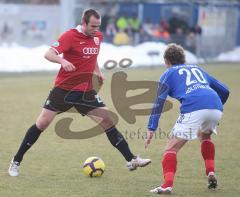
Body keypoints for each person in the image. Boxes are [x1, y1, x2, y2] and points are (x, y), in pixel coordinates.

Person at [8, 9, 151, 177]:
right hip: (63, 90)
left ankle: (131, 159)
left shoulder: (98, 37)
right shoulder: (69, 36)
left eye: (98, 26)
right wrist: (62, 60)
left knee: (107, 121)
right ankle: (16, 161)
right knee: (42, 124)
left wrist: (97, 71)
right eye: (92, 26)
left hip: (86, 92)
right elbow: (48, 53)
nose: (95, 29)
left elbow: (93, 56)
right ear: (83, 23)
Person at [144, 43, 229, 194]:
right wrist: (214, 107)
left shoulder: (168, 73)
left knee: (171, 148)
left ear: (166, 61)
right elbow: (225, 91)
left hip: (194, 107)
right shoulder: (198, 69)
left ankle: (167, 185)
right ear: (183, 59)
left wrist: (151, 128)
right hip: (215, 105)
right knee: (204, 135)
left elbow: (159, 102)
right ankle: (210, 171)